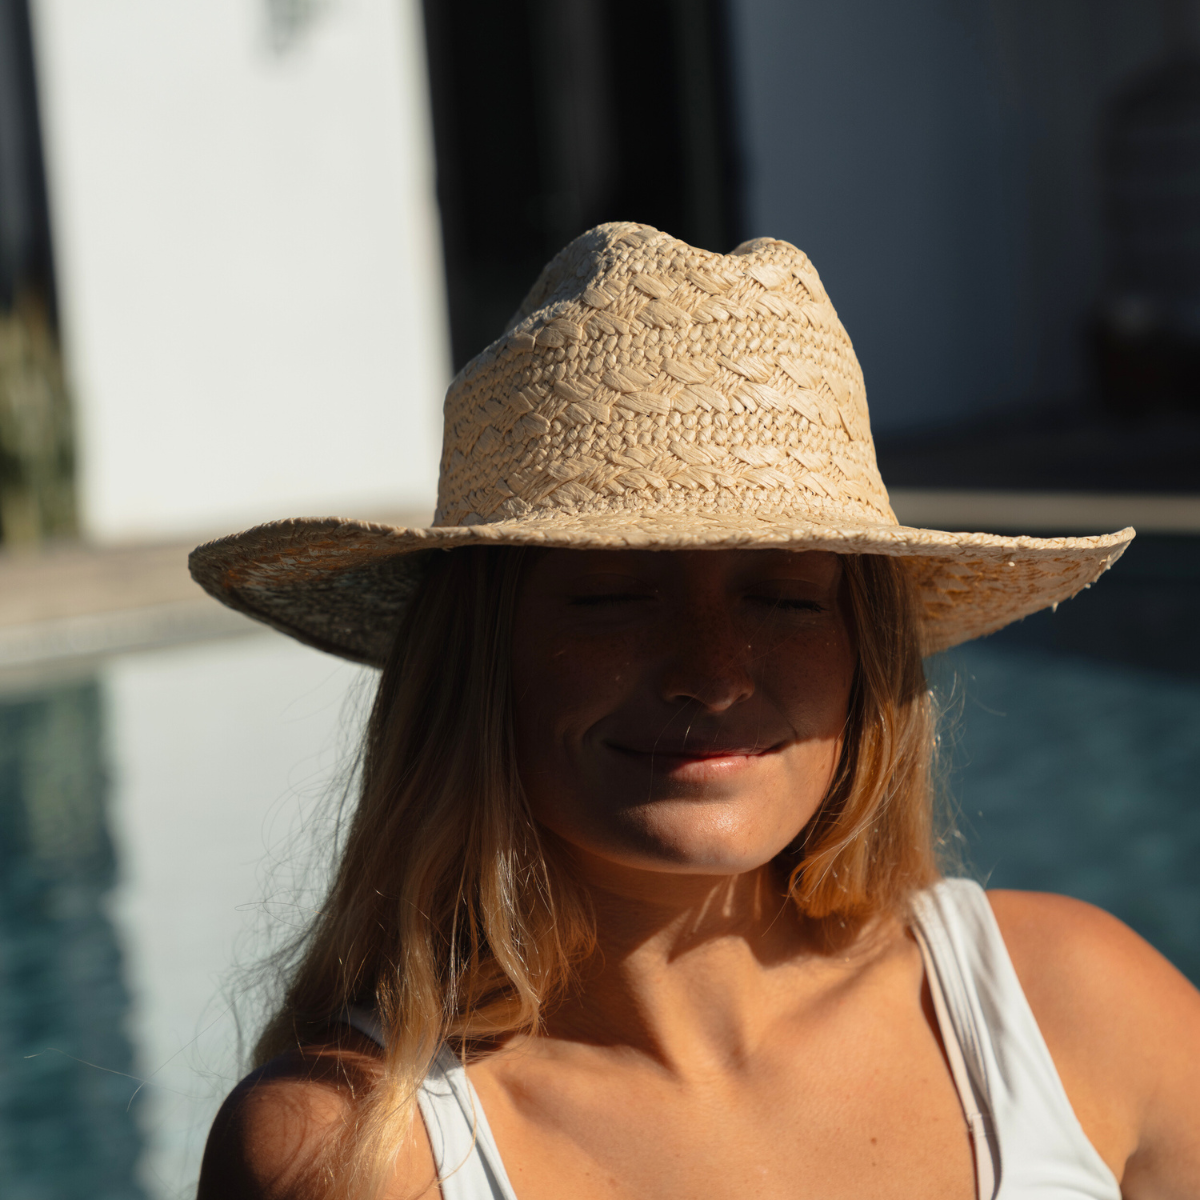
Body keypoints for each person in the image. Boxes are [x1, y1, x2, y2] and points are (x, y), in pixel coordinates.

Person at [191, 223, 1200, 1200]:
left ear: (865, 652)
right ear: (480, 661)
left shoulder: (1081, 1007)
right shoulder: (351, 1152)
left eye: (785, 598)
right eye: (613, 596)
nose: (711, 675)